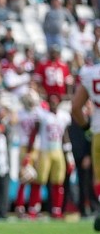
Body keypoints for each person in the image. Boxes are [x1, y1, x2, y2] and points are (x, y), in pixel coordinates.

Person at [26, 94, 73, 219]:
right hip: (45, 150)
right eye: (51, 101)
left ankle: (56, 210)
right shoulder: (43, 115)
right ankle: (33, 208)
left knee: (58, 181)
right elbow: (34, 133)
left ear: (58, 102)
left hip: (58, 151)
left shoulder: (63, 116)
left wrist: (69, 156)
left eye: (55, 101)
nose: (53, 103)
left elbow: (65, 136)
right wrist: (29, 151)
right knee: (39, 180)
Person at [71, 61, 100, 229]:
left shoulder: (90, 73)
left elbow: (75, 107)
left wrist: (86, 128)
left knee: (99, 177)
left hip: (97, 130)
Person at [13, 90, 42, 217]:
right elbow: (12, 121)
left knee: (37, 177)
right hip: (25, 146)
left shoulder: (38, 113)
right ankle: (20, 206)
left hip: (37, 146)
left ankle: (33, 207)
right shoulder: (20, 113)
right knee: (24, 177)